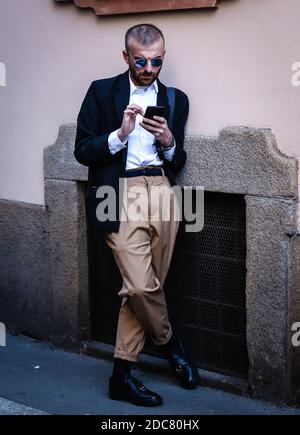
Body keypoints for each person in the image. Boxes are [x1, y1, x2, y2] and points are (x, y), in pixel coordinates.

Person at [74, 23, 198, 407]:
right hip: (117, 191)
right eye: (141, 60)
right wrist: (120, 134)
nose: (149, 67)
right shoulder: (101, 91)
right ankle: (170, 344)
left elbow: (178, 160)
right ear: (126, 57)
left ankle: (121, 377)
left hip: (160, 190)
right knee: (142, 286)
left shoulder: (176, 99)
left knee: (140, 287)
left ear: (163, 58)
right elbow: (82, 151)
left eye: (156, 61)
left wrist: (168, 141)